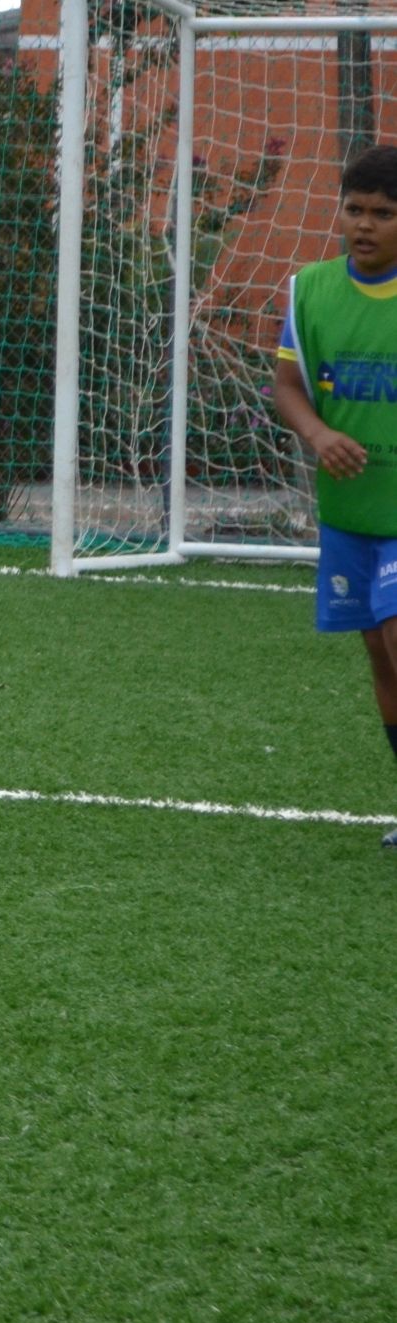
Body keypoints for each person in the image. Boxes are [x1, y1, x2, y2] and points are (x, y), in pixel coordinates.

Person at [272, 143, 397, 850]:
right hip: (350, 512)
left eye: (384, 213)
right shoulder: (310, 290)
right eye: (355, 209)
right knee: (379, 653)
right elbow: (288, 384)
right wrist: (319, 435)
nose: (365, 224)